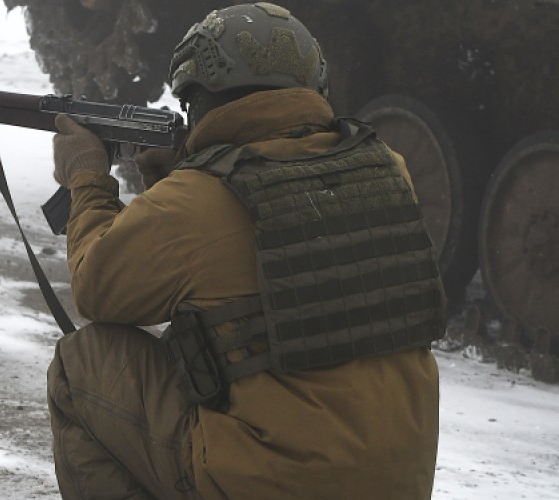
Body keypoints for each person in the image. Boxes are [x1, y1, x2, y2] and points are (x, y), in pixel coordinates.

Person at [48, 3, 446, 499]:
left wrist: (87, 177)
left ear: (201, 99)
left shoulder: (197, 200)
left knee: (80, 363)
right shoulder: (389, 170)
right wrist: (177, 177)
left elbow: (96, 287)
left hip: (269, 482)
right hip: (398, 481)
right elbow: (270, 264)